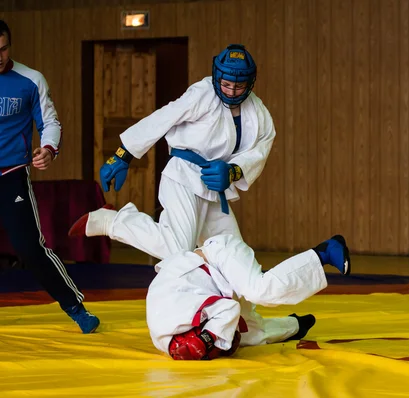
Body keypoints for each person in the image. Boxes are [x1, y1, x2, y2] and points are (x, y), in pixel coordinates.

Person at [68, 44, 275, 261]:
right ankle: (112, 222)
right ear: (217, 78)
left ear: (249, 83)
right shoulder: (203, 93)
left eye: (238, 86)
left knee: (234, 258)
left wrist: (233, 171)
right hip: (183, 176)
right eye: (226, 84)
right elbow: (165, 117)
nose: (231, 91)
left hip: (214, 186)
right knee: (177, 248)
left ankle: (223, 296)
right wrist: (123, 154)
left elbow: (262, 146)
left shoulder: (257, 110)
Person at [0, 20, 99, 333]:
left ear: (9, 47)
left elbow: (51, 123)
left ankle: (75, 308)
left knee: (30, 248)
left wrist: (49, 148)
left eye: (2, 49)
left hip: (11, 175)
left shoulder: (30, 80)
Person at [147, 234, 351, 360]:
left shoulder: (177, 312)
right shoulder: (168, 337)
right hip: (214, 284)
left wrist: (210, 338)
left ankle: (325, 251)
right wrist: (211, 341)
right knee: (252, 335)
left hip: (219, 258)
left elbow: (229, 309)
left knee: (259, 290)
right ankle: (296, 325)